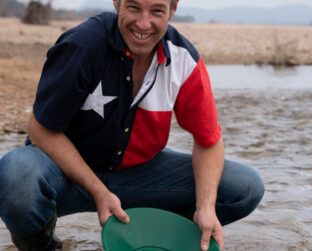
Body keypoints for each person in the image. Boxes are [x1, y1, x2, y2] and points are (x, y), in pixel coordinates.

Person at [0, 0, 264, 250]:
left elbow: (209, 141)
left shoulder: (184, 60)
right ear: (117, 3)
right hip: (63, 174)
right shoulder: (82, 45)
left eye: (157, 11)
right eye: (134, 8)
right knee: (15, 175)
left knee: (244, 187)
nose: (143, 23)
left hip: (137, 175)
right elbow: (40, 129)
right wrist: (99, 192)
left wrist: (205, 208)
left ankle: (149, 237)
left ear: (173, 10)